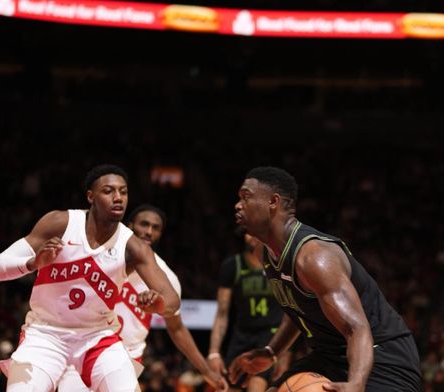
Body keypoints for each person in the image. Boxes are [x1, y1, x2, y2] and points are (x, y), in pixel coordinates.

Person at [0, 165, 181, 392]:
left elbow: (172, 300)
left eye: (123, 191)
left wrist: (158, 303)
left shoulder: (133, 247)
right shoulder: (61, 223)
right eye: (109, 191)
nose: (118, 197)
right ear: (91, 196)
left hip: (97, 336)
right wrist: (33, 264)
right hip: (45, 333)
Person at [228, 167, 422, 392]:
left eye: (246, 197)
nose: (238, 205)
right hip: (329, 356)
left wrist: (356, 383)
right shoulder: (263, 253)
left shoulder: (314, 257)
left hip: (383, 359)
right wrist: (272, 352)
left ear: (273, 201)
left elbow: (357, 328)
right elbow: (299, 308)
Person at [56, 204, 226, 391]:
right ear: (130, 226)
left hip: (128, 356)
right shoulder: (102, 255)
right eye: (144, 225)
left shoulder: (167, 279)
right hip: (85, 345)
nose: (149, 232)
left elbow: (177, 329)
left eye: (156, 228)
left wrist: (206, 371)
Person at [208, 229, 286, 391]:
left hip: (270, 336)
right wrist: (214, 352)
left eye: (256, 232)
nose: (251, 236)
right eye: (248, 232)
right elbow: (222, 313)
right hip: (241, 336)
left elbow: (290, 312)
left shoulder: (281, 265)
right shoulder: (233, 265)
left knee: (257, 385)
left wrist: (285, 352)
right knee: (227, 386)